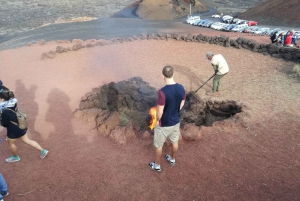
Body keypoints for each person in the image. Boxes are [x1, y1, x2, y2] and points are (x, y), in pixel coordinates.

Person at [148, 66, 186, 173]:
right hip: (176, 121)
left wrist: (157, 121)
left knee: (159, 145)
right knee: (175, 141)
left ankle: (157, 166)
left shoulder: (162, 92)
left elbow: (160, 111)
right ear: (173, 74)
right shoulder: (181, 87)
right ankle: (172, 159)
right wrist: (175, 111)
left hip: (164, 124)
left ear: (163, 76)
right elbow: (182, 102)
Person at [0, 85, 49, 163]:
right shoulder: (12, 101)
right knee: (27, 140)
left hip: (13, 129)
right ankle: (42, 150)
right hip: (21, 124)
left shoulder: (5, 110)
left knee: (11, 143)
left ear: (2, 98)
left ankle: (15, 157)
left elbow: (5, 124)